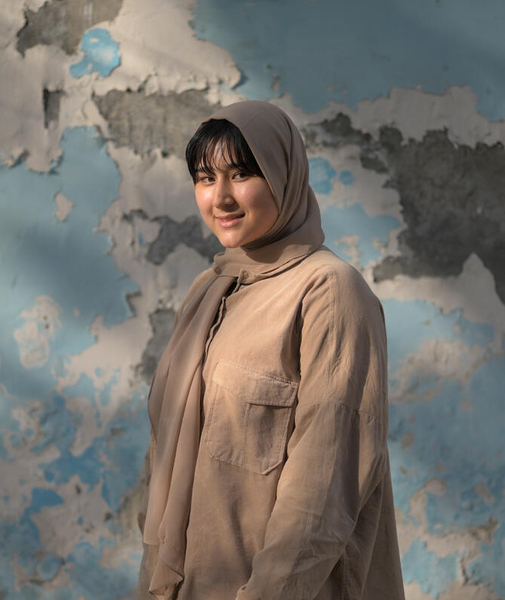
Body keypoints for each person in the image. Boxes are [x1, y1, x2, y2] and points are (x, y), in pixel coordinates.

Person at [137, 100, 405, 600]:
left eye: (241, 174)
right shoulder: (210, 289)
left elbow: (325, 486)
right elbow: (163, 464)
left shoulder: (328, 290)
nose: (220, 198)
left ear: (284, 174)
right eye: (204, 177)